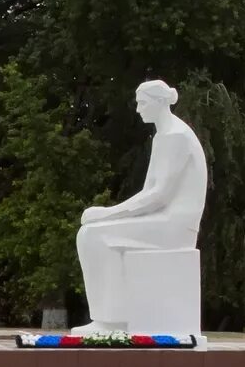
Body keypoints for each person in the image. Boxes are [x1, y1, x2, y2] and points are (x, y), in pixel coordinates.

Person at [72, 79, 207, 335]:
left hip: (175, 227)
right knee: (90, 233)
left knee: (94, 235)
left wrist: (106, 214)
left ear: (158, 103)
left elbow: (158, 196)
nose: (138, 109)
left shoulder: (175, 136)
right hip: (163, 219)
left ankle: (112, 321)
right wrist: (105, 216)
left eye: (142, 103)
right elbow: (149, 193)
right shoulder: (164, 135)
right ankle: (109, 318)